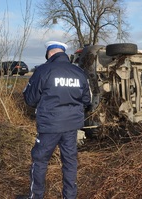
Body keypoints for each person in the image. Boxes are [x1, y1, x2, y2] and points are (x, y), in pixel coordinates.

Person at [23, 41, 91, 199]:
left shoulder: (43, 70)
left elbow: (30, 99)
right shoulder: (79, 72)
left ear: (50, 54)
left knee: (40, 161)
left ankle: (36, 196)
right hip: (71, 126)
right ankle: (70, 196)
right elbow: (87, 100)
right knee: (69, 161)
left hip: (49, 126)